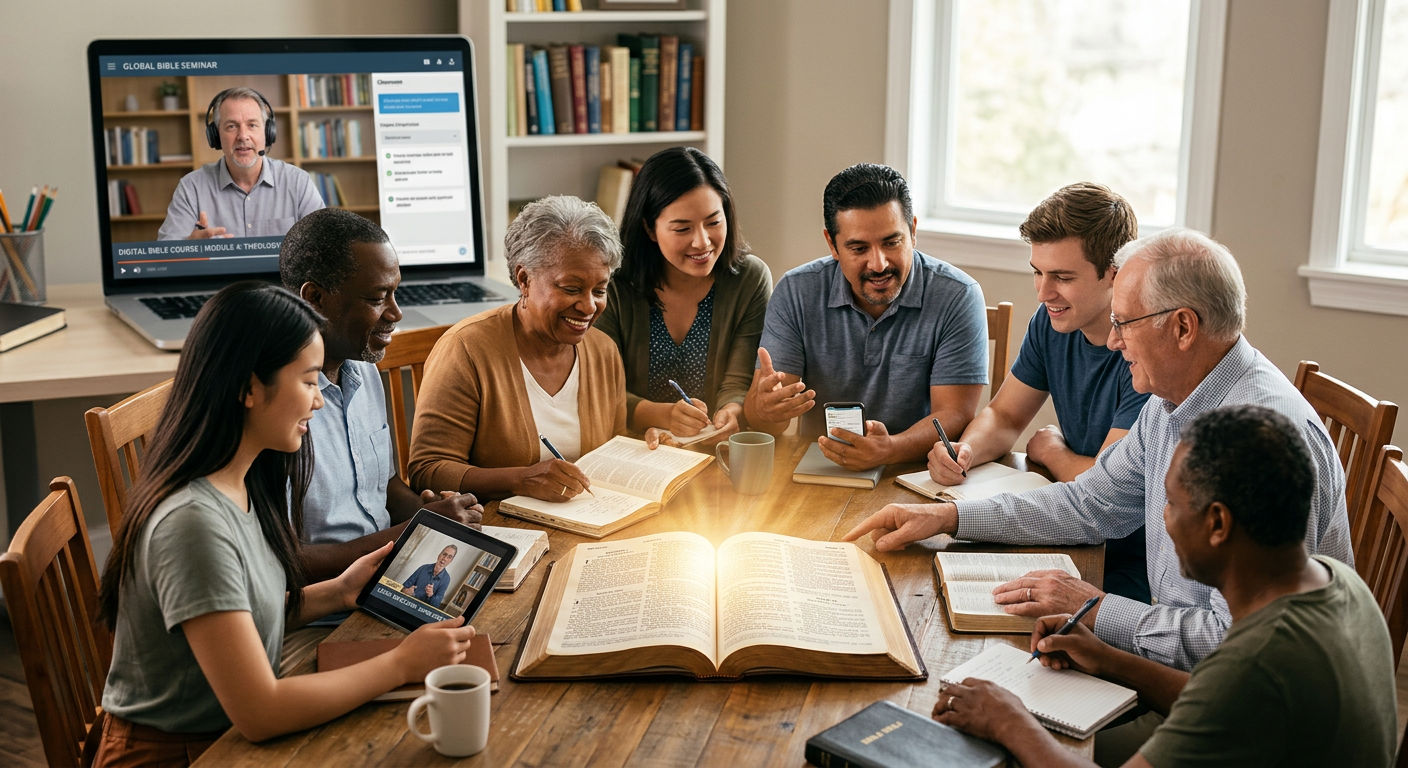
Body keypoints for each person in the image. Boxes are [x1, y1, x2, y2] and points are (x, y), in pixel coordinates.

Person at [845, 227, 1352, 673]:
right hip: (1182, 661)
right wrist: (950, 518)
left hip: (1238, 703)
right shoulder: (1172, 398)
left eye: (1124, 323)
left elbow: (1238, 643)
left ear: (1182, 327)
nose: (1112, 342)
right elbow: (1089, 502)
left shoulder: (1260, 444)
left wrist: (1094, 607)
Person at [95, 282, 475, 766]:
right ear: (250, 388)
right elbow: (261, 711)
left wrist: (337, 591)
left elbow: (242, 619)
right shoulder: (192, 524)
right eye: (310, 381)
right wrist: (402, 663)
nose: (319, 403)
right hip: (188, 751)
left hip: (224, 734)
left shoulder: (242, 483)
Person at [933, 405, 1397, 768]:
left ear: (1218, 523)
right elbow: (1216, 701)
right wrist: (1109, 658)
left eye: (1171, 503)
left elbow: (1232, 692)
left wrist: (1010, 721)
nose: (1163, 519)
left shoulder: (1255, 665)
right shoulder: (1337, 583)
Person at [931, 183, 1152, 602]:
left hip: (1123, 559)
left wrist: (1053, 451)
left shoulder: (1143, 352)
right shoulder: (1052, 322)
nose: (1043, 292)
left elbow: (1104, 490)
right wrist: (965, 451)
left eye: (1063, 277)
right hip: (1064, 533)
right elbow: (1005, 416)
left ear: (1115, 273)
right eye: (1038, 271)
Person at [279, 208, 482, 584]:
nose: (396, 312)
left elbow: (383, 487)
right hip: (325, 605)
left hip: (387, 576)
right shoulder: (276, 404)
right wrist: (414, 531)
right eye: (377, 298)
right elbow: (285, 562)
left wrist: (433, 511)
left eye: (395, 293)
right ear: (316, 298)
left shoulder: (364, 370)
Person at [744, 163, 988, 470]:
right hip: (821, 469)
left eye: (891, 242)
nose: (878, 264)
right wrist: (765, 410)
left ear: (912, 231)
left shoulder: (958, 295)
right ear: (832, 244)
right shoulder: (796, 291)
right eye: (859, 248)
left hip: (917, 470)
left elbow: (955, 415)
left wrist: (890, 449)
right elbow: (767, 424)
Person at [408, 196, 627, 501]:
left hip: (587, 526)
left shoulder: (604, 351)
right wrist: (522, 480)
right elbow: (428, 470)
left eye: (600, 290)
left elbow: (614, 448)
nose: (589, 306)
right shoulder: (466, 349)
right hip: (499, 530)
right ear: (524, 280)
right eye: (571, 289)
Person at [595, 146, 772, 447]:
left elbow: (738, 382)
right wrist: (660, 415)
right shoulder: (611, 285)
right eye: (682, 228)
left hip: (712, 452)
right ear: (649, 228)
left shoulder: (749, 279)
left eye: (714, 222)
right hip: (631, 451)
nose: (702, 242)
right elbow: (598, 389)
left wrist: (731, 412)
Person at [157, 87, 324, 241]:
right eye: (231, 126)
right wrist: (188, 247)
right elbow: (166, 252)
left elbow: (325, 245)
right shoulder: (191, 187)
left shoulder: (297, 182)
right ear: (215, 136)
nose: (243, 136)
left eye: (252, 125)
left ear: (267, 132)